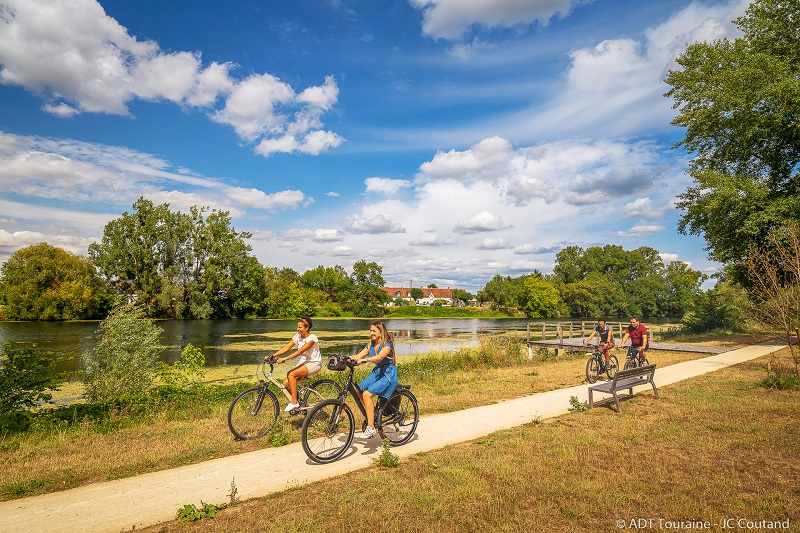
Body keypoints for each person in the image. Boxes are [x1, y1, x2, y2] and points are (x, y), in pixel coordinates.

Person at [266, 316, 322, 412]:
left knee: (291, 374)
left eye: (300, 327)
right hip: (303, 363)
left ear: (307, 327)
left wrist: (285, 359)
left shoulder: (312, 338)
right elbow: (286, 347)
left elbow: (300, 351)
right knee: (286, 383)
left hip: (314, 363)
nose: (297, 329)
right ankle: (300, 403)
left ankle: (294, 402)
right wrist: (272, 355)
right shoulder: (298, 336)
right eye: (297, 327)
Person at [353, 320, 398, 439]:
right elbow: (358, 356)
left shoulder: (387, 344)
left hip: (388, 374)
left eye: (374, 331)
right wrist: (344, 358)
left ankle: (371, 427)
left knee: (366, 394)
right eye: (370, 331)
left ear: (381, 332)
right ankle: (371, 414)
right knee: (358, 391)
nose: (371, 333)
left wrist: (366, 360)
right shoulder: (371, 345)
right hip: (378, 372)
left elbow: (380, 357)